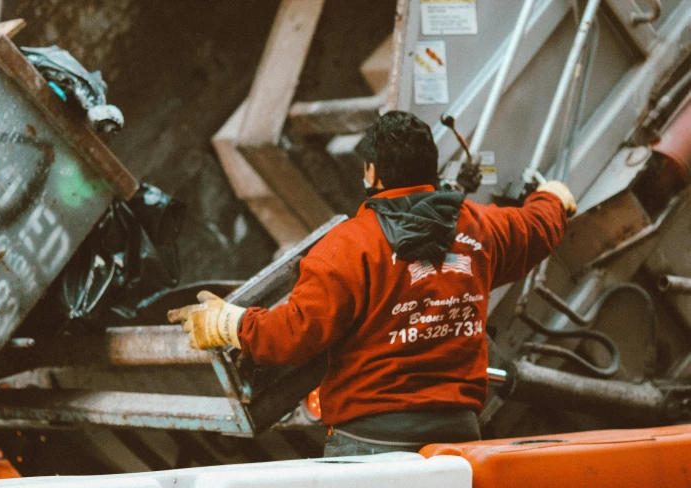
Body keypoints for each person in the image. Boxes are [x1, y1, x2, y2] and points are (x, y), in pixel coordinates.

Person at [167, 111, 575, 457]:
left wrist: (227, 323)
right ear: (431, 168)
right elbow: (537, 228)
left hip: (370, 442)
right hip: (458, 441)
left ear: (371, 172)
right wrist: (553, 198)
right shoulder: (481, 229)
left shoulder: (346, 249)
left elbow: (293, 335)